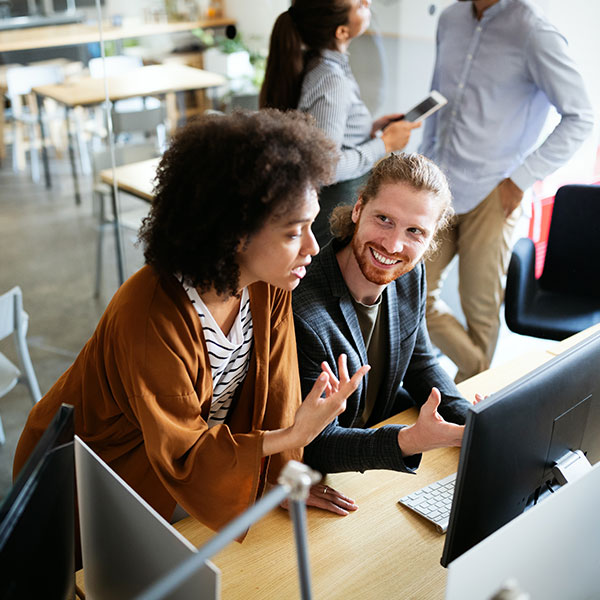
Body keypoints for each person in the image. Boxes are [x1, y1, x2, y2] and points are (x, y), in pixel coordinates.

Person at [13, 110, 370, 533]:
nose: (313, 246)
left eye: (311, 226)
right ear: (235, 234)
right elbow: (184, 452)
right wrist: (293, 437)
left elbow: (276, 395)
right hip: (86, 473)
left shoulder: (268, 284)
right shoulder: (150, 316)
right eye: (294, 232)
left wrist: (283, 481)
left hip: (165, 468)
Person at [419, 0, 595, 382]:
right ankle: (482, 381)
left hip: (494, 192)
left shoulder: (533, 29)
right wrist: (422, 168)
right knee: (410, 290)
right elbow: (438, 98)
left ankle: (465, 409)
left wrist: (521, 178)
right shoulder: (450, 19)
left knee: (479, 311)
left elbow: (582, 116)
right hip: (437, 186)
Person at [292, 152, 473, 490]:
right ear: (358, 208)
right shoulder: (304, 308)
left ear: (431, 238)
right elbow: (313, 443)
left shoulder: (410, 273)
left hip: (371, 460)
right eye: (384, 219)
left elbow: (420, 364)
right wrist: (409, 441)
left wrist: (473, 422)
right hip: (326, 474)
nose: (393, 244)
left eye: (415, 230)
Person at [260, 0, 421, 247]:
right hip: (330, 212)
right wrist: (384, 143)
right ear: (342, 32)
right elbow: (326, 166)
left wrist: (368, 129)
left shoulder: (324, 66)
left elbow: (322, 132)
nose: (367, 2)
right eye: (358, 4)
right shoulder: (331, 80)